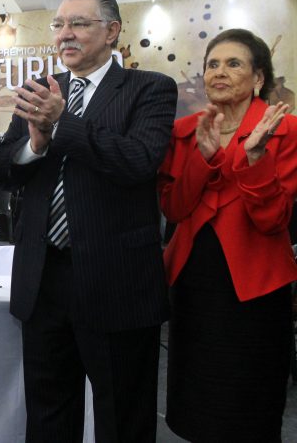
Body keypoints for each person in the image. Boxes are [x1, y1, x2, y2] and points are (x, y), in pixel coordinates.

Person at [0, 0, 178, 442]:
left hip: (117, 279)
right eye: (59, 24)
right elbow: (2, 171)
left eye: (78, 23)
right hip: (43, 277)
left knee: (123, 417)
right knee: (48, 414)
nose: (64, 34)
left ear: (112, 31)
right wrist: (35, 144)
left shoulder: (149, 88)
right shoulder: (40, 89)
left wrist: (62, 123)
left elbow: (137, 161)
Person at [159, 28, 297, 443]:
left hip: (255, 288)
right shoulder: (184, 131)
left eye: (233, 63)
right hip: (194, 283)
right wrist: (202, 159)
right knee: (197, 406)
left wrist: (255, 158)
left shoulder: (286, 130)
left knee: (249, 409)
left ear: (258, 78)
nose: (219, 72)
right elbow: (174, 209)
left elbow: (273, 220)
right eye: (212, 64)